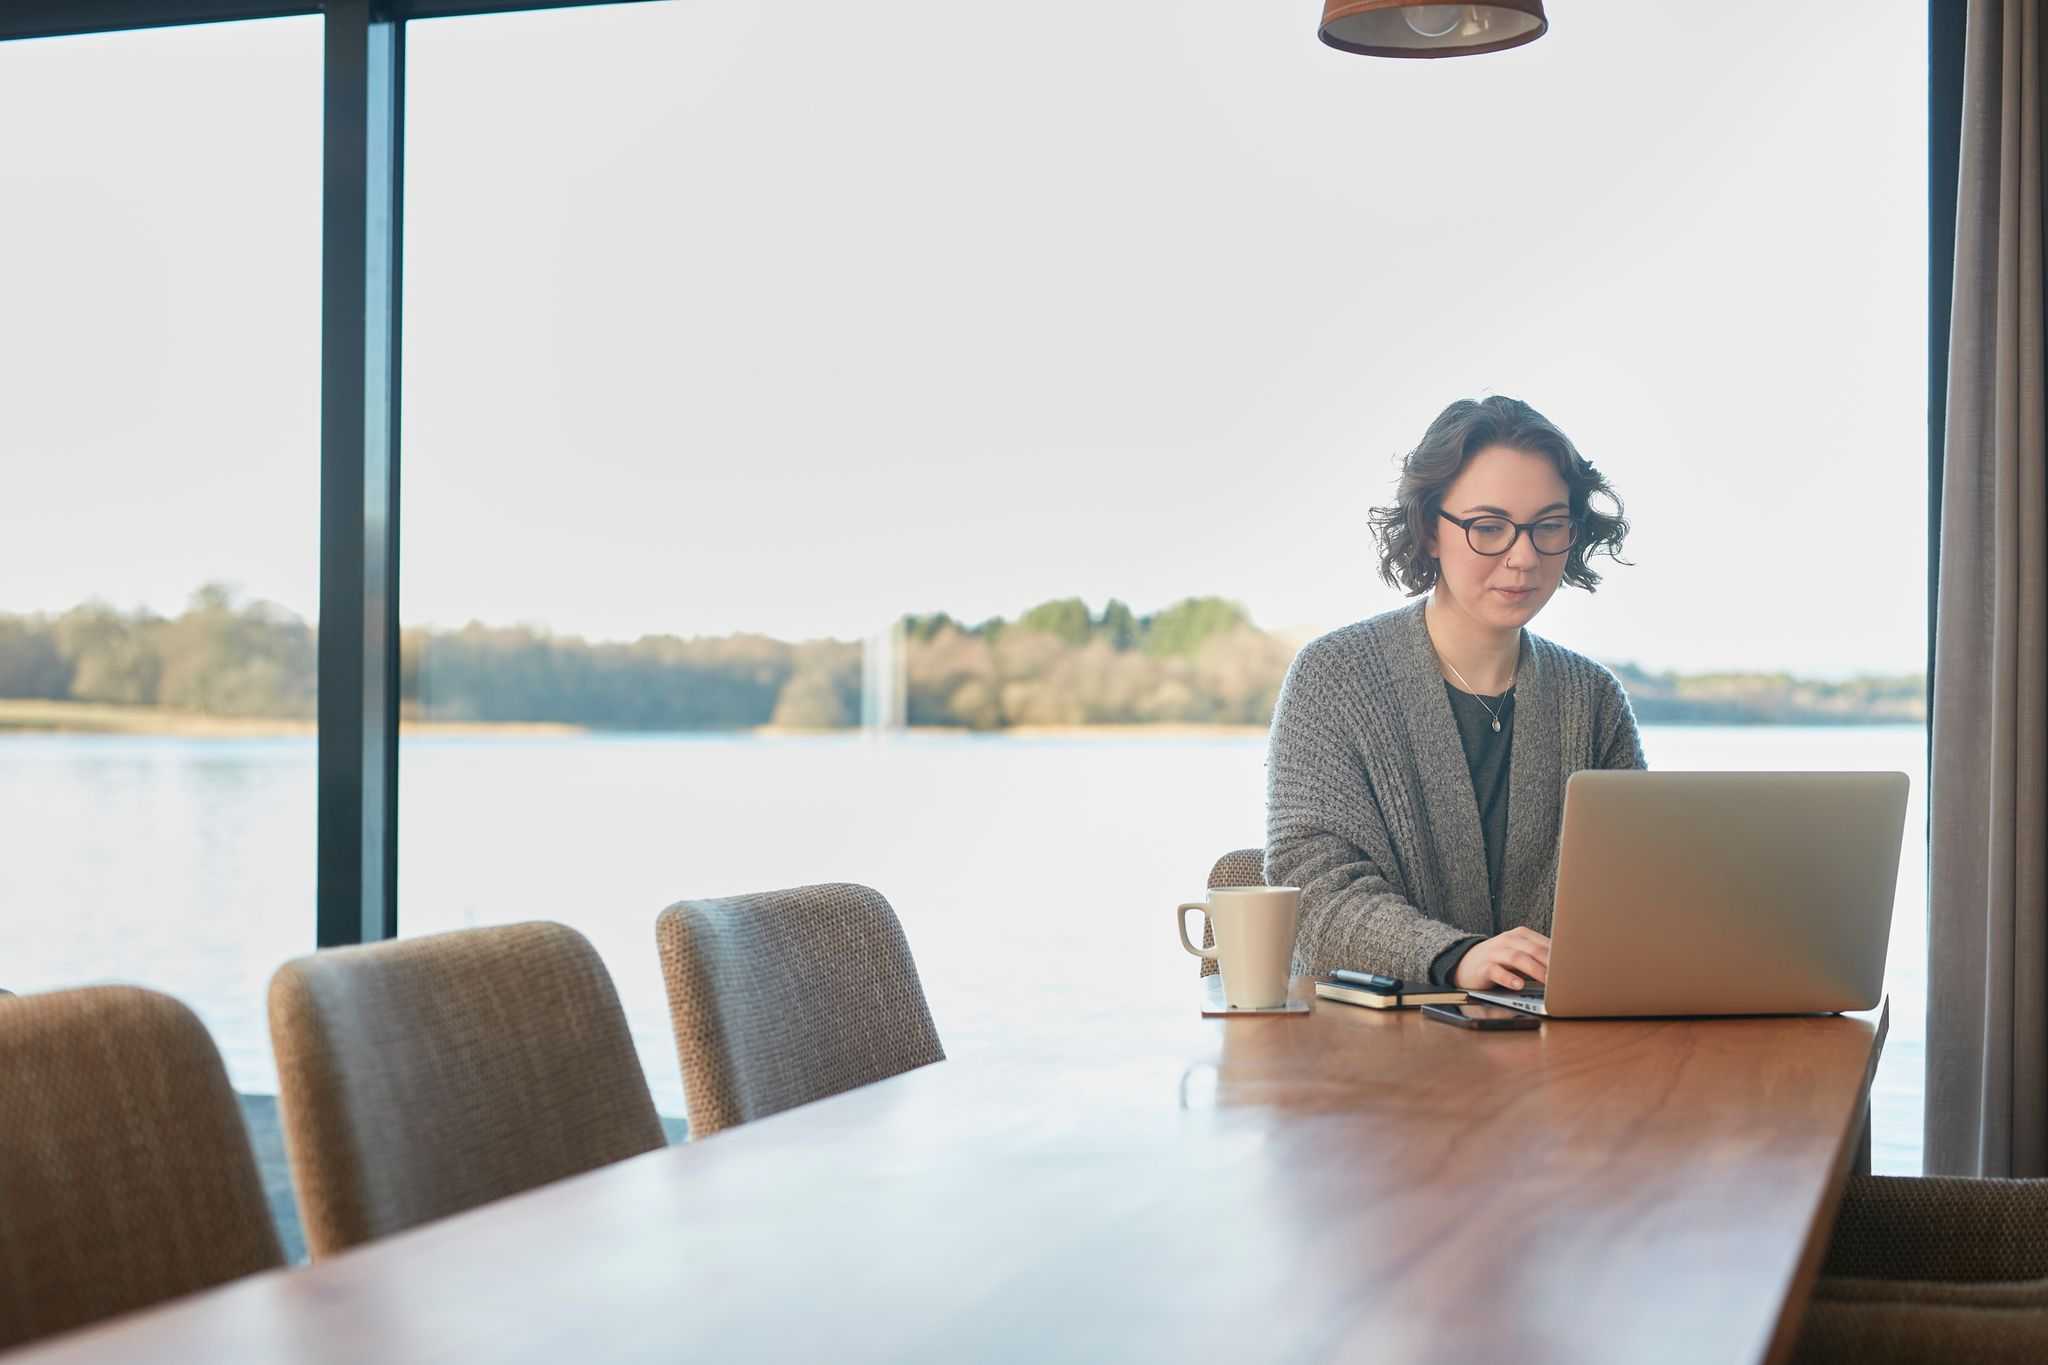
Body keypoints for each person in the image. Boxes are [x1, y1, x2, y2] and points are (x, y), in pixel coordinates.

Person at [1264, 395, 1643, 993]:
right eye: (1488, 528)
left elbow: (1637, 891)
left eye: (1548, 526)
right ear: (1430, 531)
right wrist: (1457, 956)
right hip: (1375, 1057)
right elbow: (1312, 893)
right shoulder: (1334, 677)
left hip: (1560, 1055)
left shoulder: (1592, 699)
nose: (1523, 557)